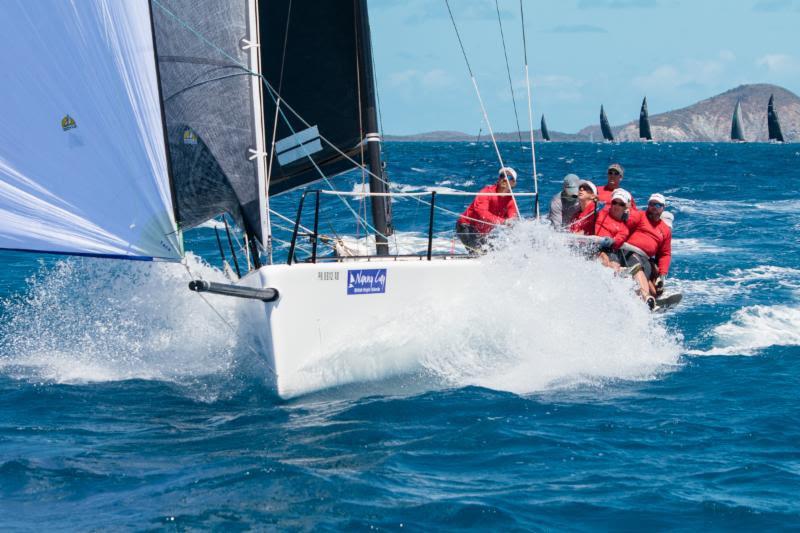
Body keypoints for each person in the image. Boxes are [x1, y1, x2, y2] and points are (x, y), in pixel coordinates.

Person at [623, 193, 672, 309]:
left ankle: (652, 298)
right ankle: (646, 299)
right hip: (629, 252)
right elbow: (623, 227)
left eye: (658, 205)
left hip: (646, 258)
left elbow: (665, 253)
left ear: (663, 208)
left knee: (651, 285)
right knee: (637, 268)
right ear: (648, 205)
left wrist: (662, 274)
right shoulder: (639, 216)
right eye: (652, 204)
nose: (654, 207)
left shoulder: (665, 230)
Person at [455, 167, 519, 251]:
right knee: (479, 254)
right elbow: (482, 213)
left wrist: (513, 225)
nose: (504, 179)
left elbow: (513, 218)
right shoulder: (487, 191)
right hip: (466, 226)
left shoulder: (510, 200)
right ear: (499, 178)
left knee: (494, 253)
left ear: (513, 183)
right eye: (502, 175)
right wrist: (504, 222)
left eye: (509, 177)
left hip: (482, 232)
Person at [594, 188, 632, 270]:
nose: (617, 206)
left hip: (607, 249)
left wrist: (612, 240)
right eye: (614, 202)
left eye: (621, 204)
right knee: (603, 257)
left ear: (625, 207)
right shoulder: (600, 212)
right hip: (591, 243)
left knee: (609, 259)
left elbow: (618, 241)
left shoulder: (624, 228)